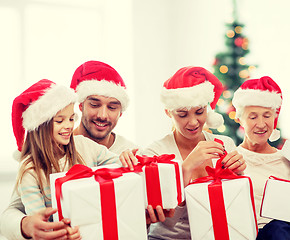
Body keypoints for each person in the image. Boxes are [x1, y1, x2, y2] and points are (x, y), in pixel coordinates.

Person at [0, 79, 130, 240]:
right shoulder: (30, 171)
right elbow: (41, 222)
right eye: (60, 121)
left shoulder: (83, 145)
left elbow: (122, 167)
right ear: (41, 126)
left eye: (71, 119)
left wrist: (126, 159)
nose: (69, 126)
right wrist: (62, 233)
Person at [139, 66, 246, 239]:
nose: (193, 122)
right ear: (168, 112)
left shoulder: (224, 144)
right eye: (182, 114)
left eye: (199, 112)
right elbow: (164, 222)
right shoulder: (155, 153)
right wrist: (186, 168)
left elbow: (235, 208)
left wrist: (239, 175)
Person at [232, 76, 290, 239]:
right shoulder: (232, 159)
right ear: (239, 119)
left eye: (267, 115)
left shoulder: (286, 161)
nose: (261, 124)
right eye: (253, 117)